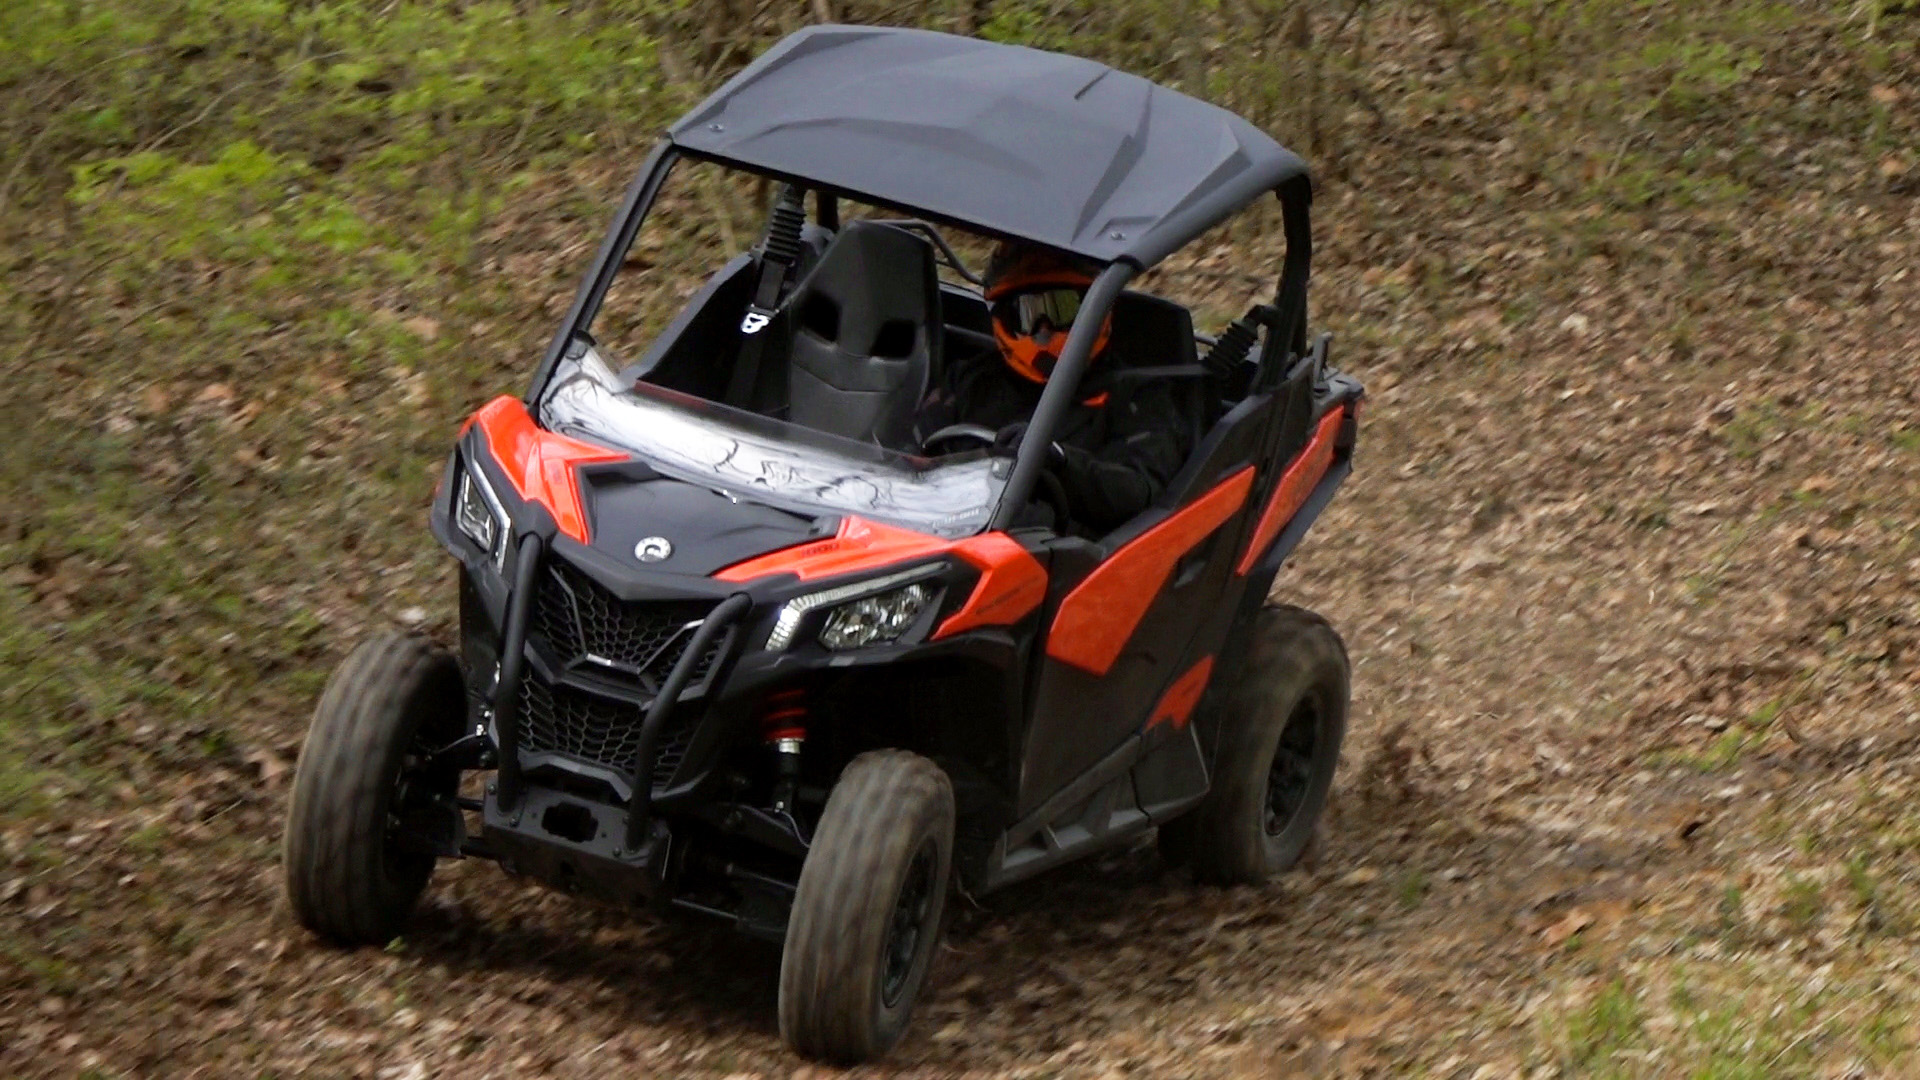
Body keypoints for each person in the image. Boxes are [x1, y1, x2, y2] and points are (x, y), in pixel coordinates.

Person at [916, 242, 1197, 533]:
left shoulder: (1139, 395)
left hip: (1063, 556)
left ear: (1092, 310)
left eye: (1060, 309)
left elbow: (1138, 493)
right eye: (1028, 313)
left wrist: (1058, 461)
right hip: (949, 532)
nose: (1043, 329)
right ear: (1004, 318)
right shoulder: (969, 378)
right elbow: (911, 449)